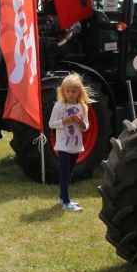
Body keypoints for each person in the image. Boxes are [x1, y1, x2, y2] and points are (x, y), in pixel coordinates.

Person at [49, 73, 91, 213]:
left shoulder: (82, 107)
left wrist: (80, 123)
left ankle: (62, 197)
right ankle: (66, 202)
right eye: (68, 91)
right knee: (65, 173)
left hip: (76, 145)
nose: (71, 94)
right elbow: (51, 124)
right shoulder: (59, 106)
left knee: (70, 172)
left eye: (74, 91)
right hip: (63, 146)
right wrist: (64, 121)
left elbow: (86, 126)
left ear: (79, 91)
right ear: (63, 91)